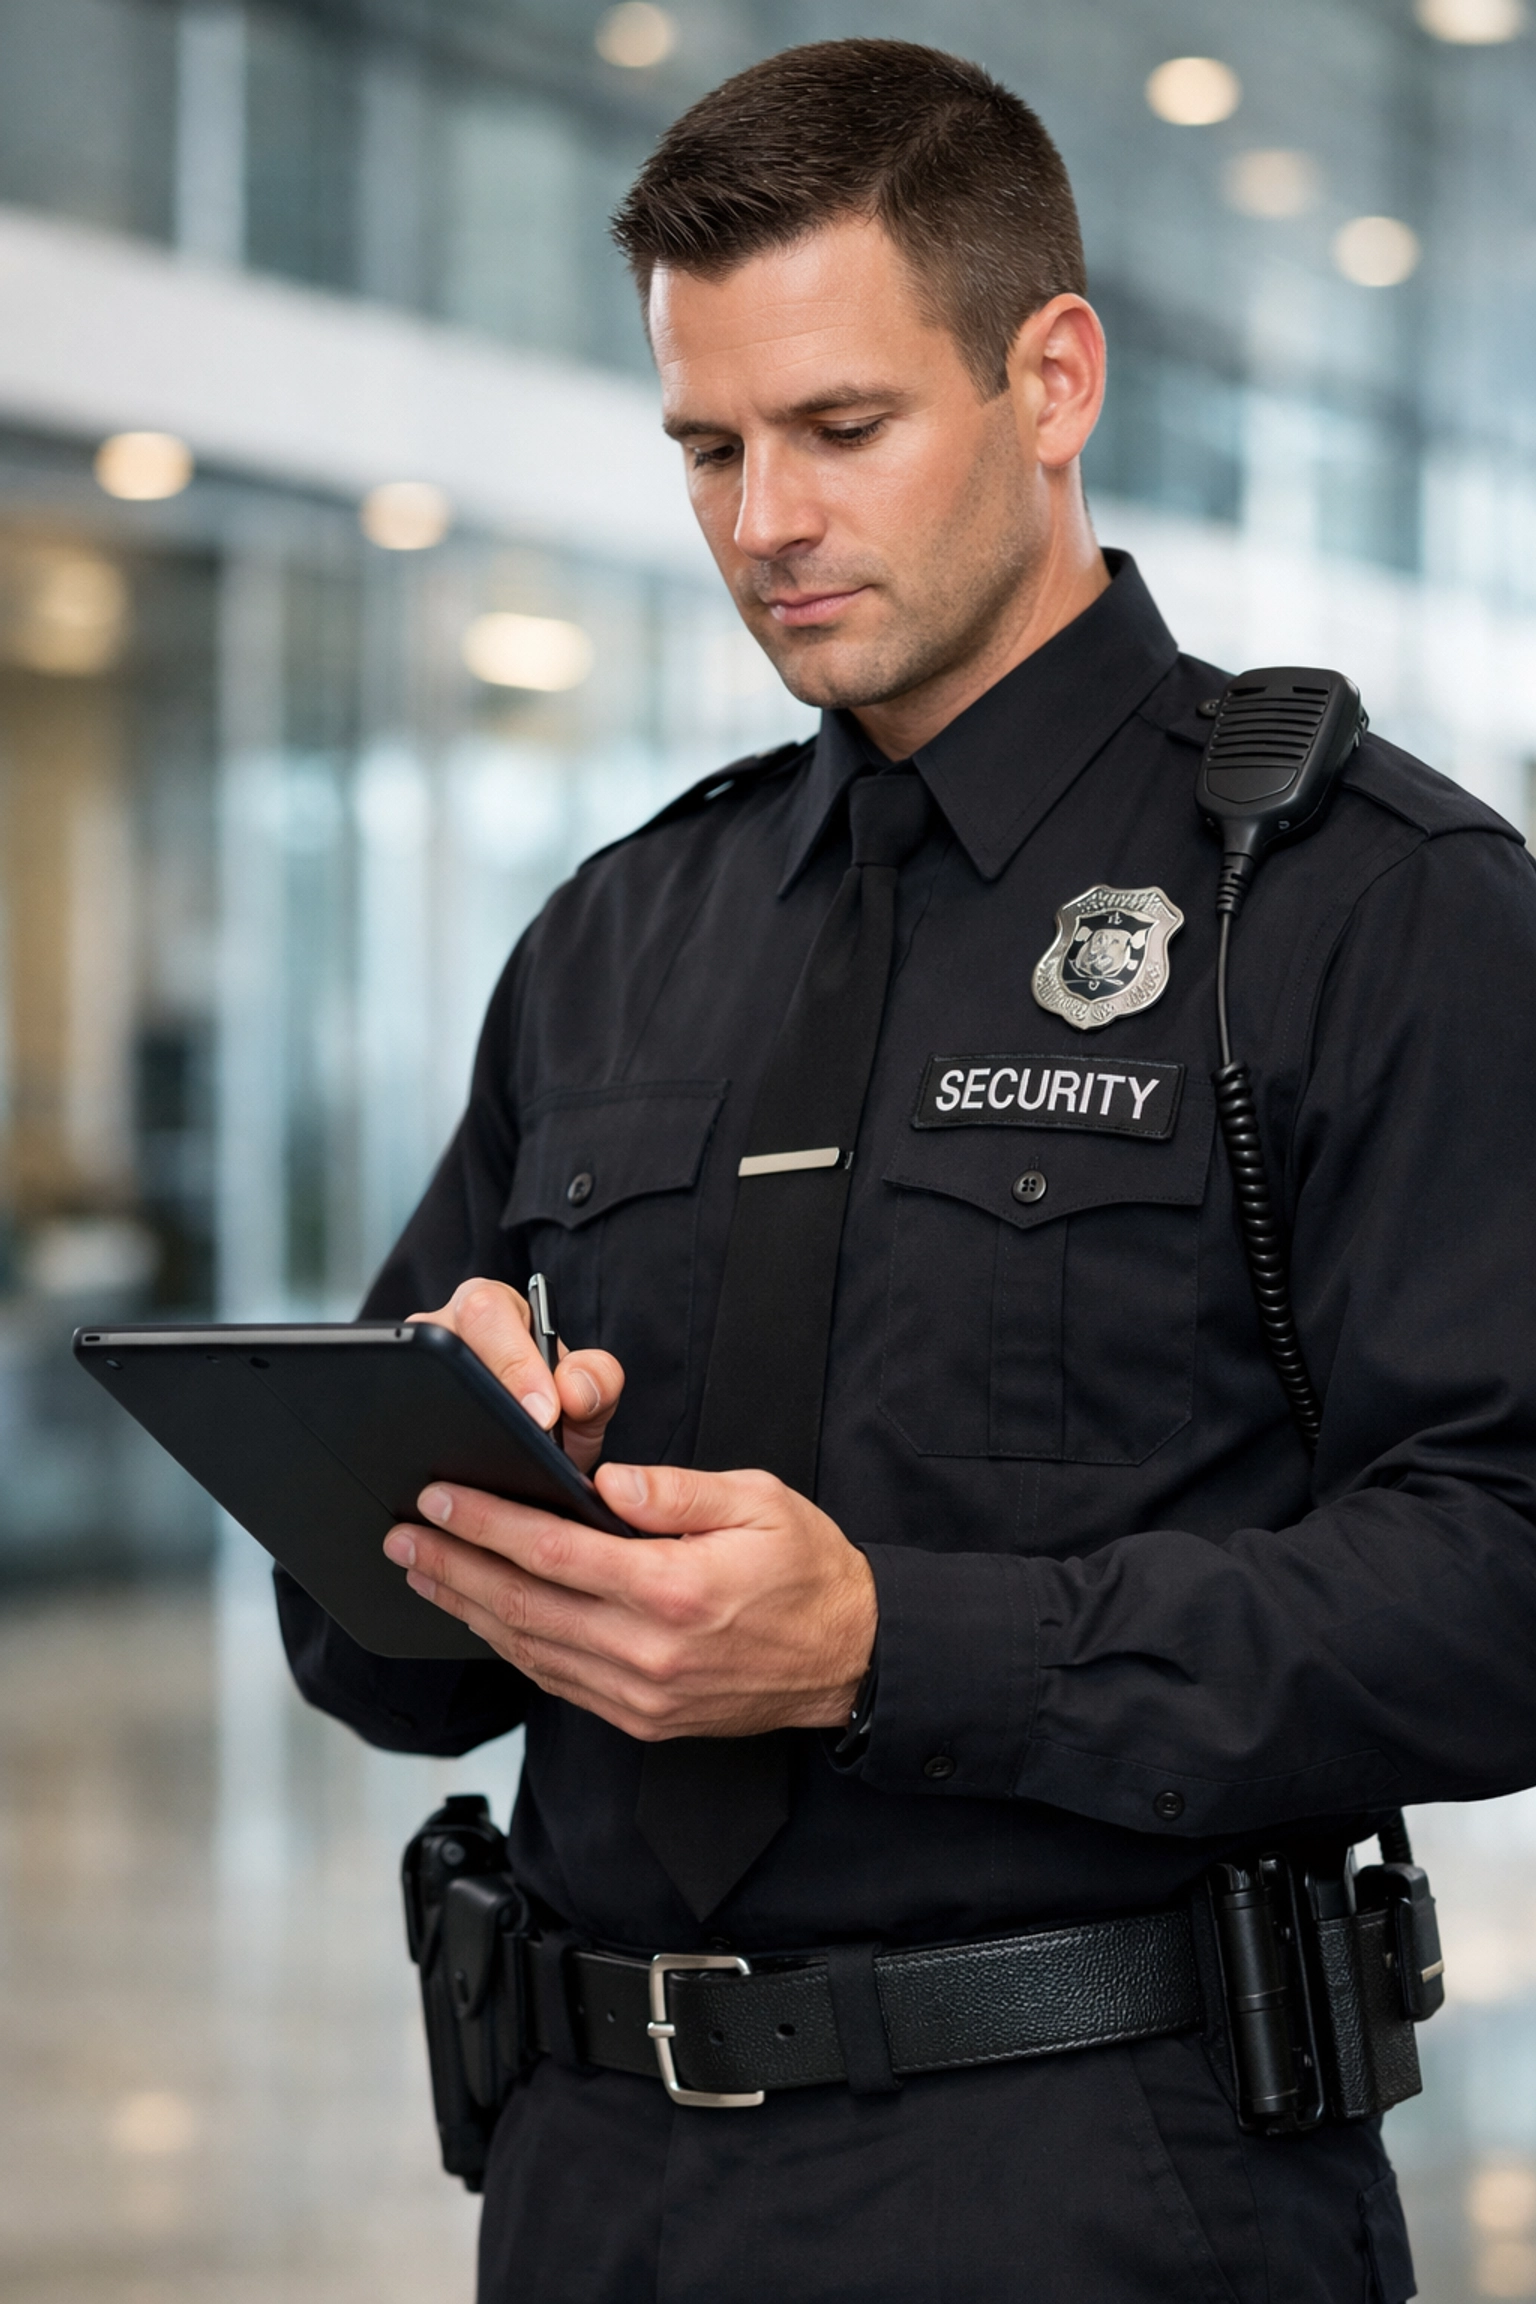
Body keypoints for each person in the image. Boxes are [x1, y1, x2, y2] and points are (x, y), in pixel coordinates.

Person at [276, 38, 1536, 2304]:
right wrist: (443, 1489)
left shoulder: (1368, 905)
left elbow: (1513, 1580)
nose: (764, 519)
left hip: (1092, 2191)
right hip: (585, 2187)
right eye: (707, 446)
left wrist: (890, 1648)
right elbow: (370, 1662)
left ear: (1052, 379)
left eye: (841, 430)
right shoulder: (621, 932)